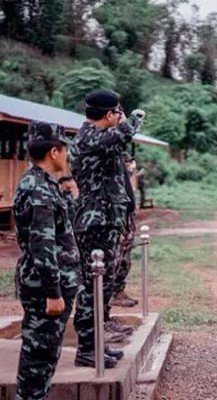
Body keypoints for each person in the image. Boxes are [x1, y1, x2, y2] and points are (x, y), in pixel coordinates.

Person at [70, 90, 143, 368]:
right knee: (93, 286)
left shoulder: (101, 139)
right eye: (116, 112)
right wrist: (130, 120)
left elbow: (119, 142)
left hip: (104, 219)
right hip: (94, 222)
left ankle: (95, 344)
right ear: (110, 114)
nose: (119, 117)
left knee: (104, 284)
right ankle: (86, 348)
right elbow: (122, 134)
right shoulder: (90, 137)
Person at [13, 122, 83, 399]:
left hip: (52, 283)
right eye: (65, 150)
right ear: (54, 152)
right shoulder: (38, 189)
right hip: (46, 289)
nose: (66, 157)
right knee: (38, 358)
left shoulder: (43, 184)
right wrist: (53, 292)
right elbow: (42, 245)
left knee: (44, 357)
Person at [111, 154, 139, 309]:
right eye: (127, 162)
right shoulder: (112, 171)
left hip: (127, 217)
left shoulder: (124, 173)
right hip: (119, 218)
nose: (131, 164)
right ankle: (112, 293)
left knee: (125, 258)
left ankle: (119, 290)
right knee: (117, 257)